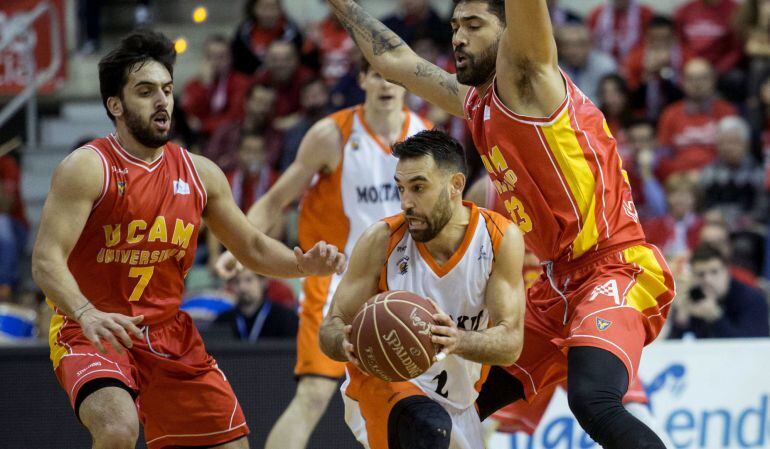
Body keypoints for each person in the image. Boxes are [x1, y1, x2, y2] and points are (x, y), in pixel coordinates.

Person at [328, 0, 675, 447]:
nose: (457, 37)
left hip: (615, 267)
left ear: (511, 34)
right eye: (454, 26)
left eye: (474, 25)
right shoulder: (473, 100)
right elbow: (395, 60)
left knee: (592, 399)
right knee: (457, 408)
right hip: (556, 285)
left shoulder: (532, 78)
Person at [30, 30, 345, 449]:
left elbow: (250, 246)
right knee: (118, 429)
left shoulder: (200, 173)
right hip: (92, 329)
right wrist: (86, 313)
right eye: (145, 92)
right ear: (115, 105)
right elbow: (46, 260)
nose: (162, 101)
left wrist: (302, 264)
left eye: (167, 90)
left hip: (167, 333)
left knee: (233, 445)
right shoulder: (88, 167)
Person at [215, 59, 432, 449]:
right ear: (362, 78)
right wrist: (240, 242)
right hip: (337, 280)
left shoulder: (424, 135)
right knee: (314, 395)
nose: (386, 84)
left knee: (415, 401)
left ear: (408, 83)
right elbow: (278, 198)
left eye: (395, 76)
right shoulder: (331, 134)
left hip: (403, 286)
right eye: (377, 74)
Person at [319, 130, 526, 449]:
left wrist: (459, 339)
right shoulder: (381, 240)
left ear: (456, 185)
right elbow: (330, 327)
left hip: (456, 401)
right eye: (400, 189)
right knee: (428, 429)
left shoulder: (499, 239)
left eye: (418, 188)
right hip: (383, 386)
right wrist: (345, 341)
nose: (406, 202)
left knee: (434, 427)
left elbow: (511, 343)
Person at [669, 244, 770, 339]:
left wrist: (715, 316)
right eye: (701, 274)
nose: (708, 279)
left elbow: (751, 345)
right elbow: (672, 348)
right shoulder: (693, 299)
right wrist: (681, 319)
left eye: (714, 272)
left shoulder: (752, 299)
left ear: (727, 271)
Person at [214, 270, 298, 341]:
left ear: (262, 282)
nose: (242, 287)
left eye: (248, 280)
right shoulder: (222, 321)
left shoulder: (285, 318)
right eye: (236, 281)